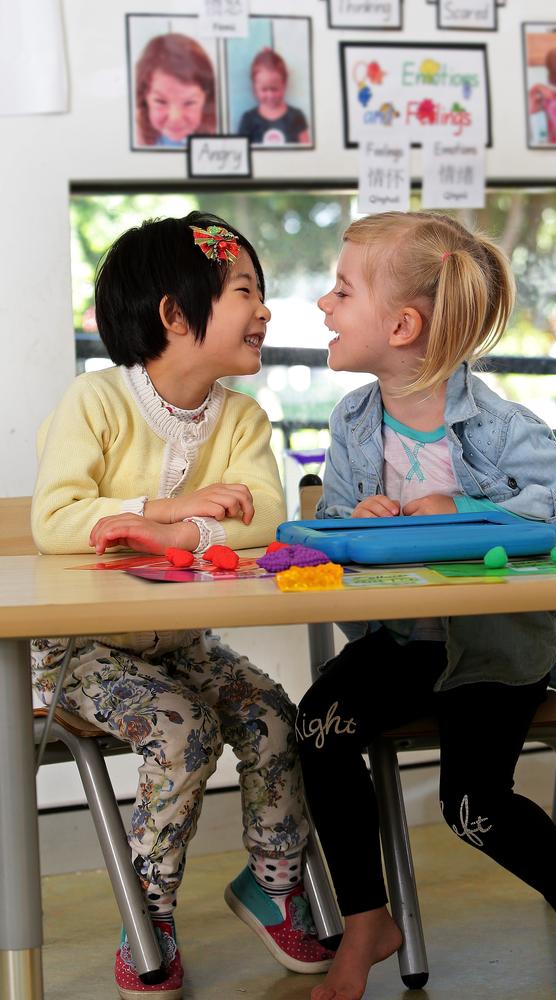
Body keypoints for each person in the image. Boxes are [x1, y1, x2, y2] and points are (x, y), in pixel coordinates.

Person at [296, 210, 556, 1000]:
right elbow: (332, 536)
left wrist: (471, 504)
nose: (323, 306)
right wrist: (352, 522)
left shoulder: (502, 429)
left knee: (472, 804)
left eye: (341, 291)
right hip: (403, 643)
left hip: (495, 653)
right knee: (315, 728)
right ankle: (368, 917)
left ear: (402, 324)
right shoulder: (351, 423)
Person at [31, 211, 334, 998]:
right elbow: (56, 521)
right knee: (185, 725)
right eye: (244, 291)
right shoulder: (95, 403)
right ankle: (148, 911)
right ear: (175, 314)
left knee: (272, 714)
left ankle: (272, 881)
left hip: (178, 644)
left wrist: (171, 524)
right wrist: (158, 509)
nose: (264, 309)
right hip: (76, 656)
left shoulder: (241, 417)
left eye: (260, 291)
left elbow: (267, 515)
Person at [135, 34, 217, 147]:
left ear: (206, 98)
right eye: (160, 102)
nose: (175, 118)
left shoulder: (216, 133)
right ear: (144, 97)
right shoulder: (136, 133)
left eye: (189, 103)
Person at [237, 48, 310, 146]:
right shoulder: (248, 120)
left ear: (284, 85)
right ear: (254, 88)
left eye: (274, 89)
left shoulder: (296, 116)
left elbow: (306, 150)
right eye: (264, 89)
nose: (270, 95)